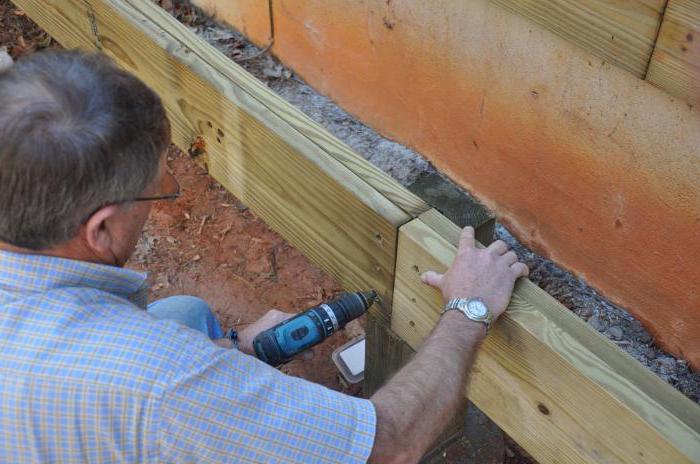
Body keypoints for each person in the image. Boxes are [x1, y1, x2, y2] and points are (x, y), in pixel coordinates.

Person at [0, 50, 529, 463]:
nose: (168, 190)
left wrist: (230, 358)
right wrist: (468, 310)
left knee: (183, 316)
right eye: (155, 190)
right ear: (100, 228)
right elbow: (389, 446)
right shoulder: (163, 382)